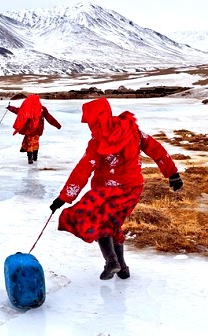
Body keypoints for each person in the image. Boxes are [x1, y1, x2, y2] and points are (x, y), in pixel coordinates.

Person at [49, 97, 183, 280]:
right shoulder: (133, 131)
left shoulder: (97, 144)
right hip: (133, 189)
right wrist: (172, 173)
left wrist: (64, 198)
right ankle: (123, 268)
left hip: (106, 190)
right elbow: (156, 149)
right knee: (113, 224)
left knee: (98, 221)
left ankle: (111, 261)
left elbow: (83, 169)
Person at [7, 94, 62, 164]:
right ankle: (35, 157)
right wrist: (57, 125)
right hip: (38, 130)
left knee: (30, 143)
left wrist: (10, 108)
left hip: (29, 130)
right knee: (35, 143)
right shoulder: (42, 109)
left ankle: (30, 158)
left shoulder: (28, 109)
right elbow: (49, 118)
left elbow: (18, 111)